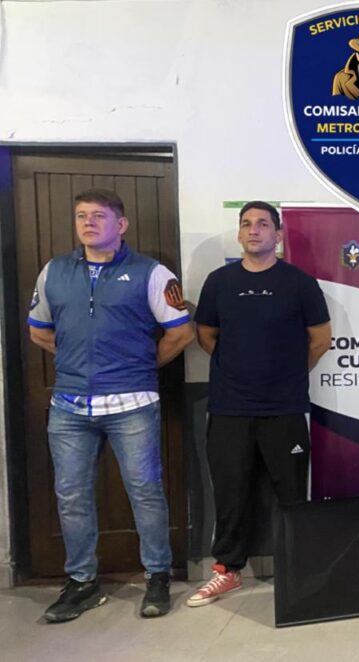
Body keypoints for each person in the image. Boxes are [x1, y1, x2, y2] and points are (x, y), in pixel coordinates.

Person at [27, 188, 194, 622]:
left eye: (98, 216)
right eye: (81, 215)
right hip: (69, 407)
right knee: (71, 495)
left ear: (121, 225)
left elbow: (181, 332)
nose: (88, 222)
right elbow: (39, 331)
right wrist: (76, 361)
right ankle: (82, 583)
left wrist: (138, 366)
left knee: (145, 491)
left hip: (132, 404)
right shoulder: (54, 272)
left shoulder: (151, 273)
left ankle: (157, 576)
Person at [189, 201, 331, 607]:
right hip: (229, 408)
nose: (254, 230)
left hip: (285, 408)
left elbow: (320, 340)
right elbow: (206, 335)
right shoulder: (219, 282)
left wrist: (284, 374)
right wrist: (240, 370)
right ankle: (227, 571)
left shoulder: (300, 283)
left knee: (292, 494)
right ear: (239, 233)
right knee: (230, 494)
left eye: (263, 224)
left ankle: (298, 569)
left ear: (277, 234)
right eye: (247, 223)